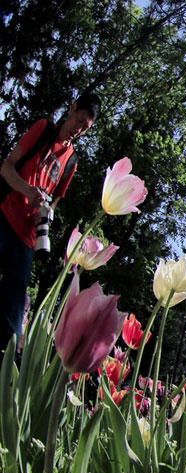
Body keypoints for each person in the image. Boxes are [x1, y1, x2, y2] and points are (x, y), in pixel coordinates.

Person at [0, 93, 101, 361]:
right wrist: (27, 190)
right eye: (79, 120)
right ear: (71, 109)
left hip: (27, 241)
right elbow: (6, 167)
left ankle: (4, 374)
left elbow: (53, 204)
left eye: (85, 127)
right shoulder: (43, 129)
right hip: (5, 216)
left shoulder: (71, 161)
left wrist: (46, 215)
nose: (79, 129)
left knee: (12, 317)